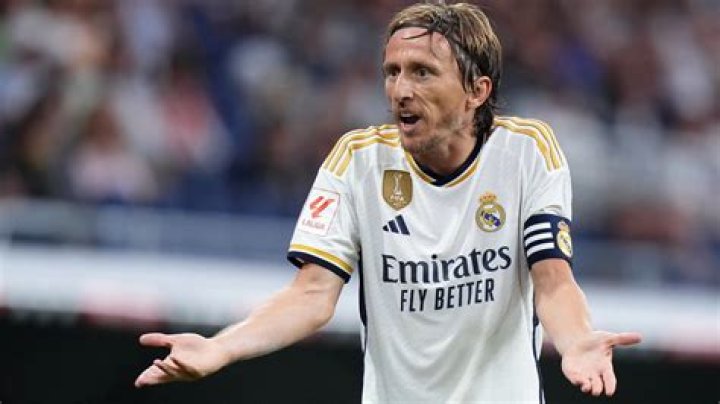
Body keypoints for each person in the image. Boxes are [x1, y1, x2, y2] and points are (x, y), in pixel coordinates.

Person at [135, 2, 641, 402]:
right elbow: (311, 295)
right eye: (392, 71)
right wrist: (220, 347)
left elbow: (553, 281)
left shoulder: (526, 151)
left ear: (476, 90)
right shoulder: (357, 161)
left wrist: (577, 340)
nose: (400, 89)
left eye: (422, 72)